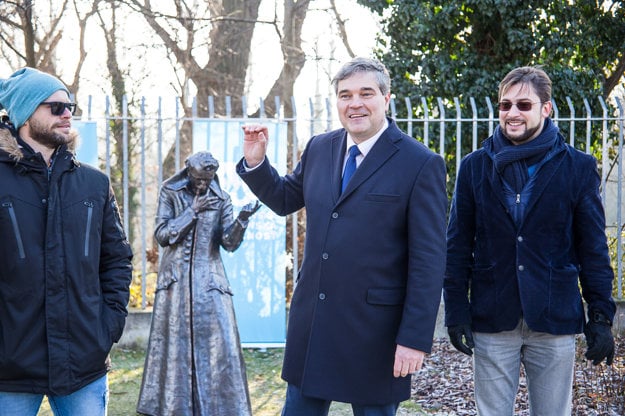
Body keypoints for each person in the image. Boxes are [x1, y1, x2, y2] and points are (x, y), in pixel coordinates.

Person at [237, 57, 448, 415]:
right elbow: (286, 198)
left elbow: (428, 261)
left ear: (387, 98)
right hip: (314, 325)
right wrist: (257, 164)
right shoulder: (320, 147)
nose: (355, 104)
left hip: (376, 334)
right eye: (345, 95)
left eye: (366, 93)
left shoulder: (420, 163)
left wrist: (413, 339)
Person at [444, 66, 616, 416]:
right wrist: (456, 312)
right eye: (505, 105)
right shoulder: (474, 166)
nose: (512, 113)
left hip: (553, 317)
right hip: (493, 316)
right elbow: (457, 245)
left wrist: (600, 315)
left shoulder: (578, 167)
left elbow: (593, 247)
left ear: (546, 109)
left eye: (524, 105)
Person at [0, 67, 133, 415]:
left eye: (70, 105)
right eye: (55, 107)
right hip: (8, 369)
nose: (67, 114)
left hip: (83, 365)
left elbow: (116, 260)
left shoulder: (94, 184)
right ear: (25, 114)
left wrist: (108, 326)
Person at [137, 151, 260, 416]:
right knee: (175, 348)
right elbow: (161, 235)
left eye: (208, 179)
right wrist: (191, 213)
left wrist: (242, 220)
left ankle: (220, 408)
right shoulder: (170, 192)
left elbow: (229, 243)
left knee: (220, 346)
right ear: (189, 173)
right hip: (176, 283)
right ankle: (173, 407)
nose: (203, 185)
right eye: (199, 179)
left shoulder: (221, 199)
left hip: (211, 284)